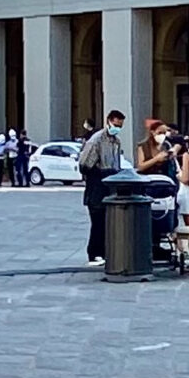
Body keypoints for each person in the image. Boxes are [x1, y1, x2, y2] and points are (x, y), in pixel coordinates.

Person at [78, 107, 126, 264]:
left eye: (120, 126)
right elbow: (84, 163)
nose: (117, 128)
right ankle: (94, 253)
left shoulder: (116, 141)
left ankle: (105, 252)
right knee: (97, 221)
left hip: (110, 183)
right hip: (97, 183)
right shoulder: (96, 139)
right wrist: (98, 173)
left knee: (107, 221)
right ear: (109, 121)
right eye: (116, 124)